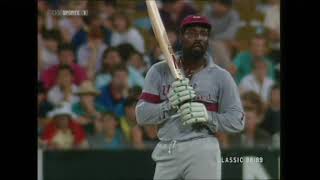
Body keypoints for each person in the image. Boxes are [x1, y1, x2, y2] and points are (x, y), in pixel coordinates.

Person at [135, 15, 244, 180]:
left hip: (203, 146)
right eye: (192, 33)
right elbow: (141, 116)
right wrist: (169, 105)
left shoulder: (221, 77)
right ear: (181, 37)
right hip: (167, 148)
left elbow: (237, 121)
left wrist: (208, 117)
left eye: (203, 33)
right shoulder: (159, 71)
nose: (199, 38)